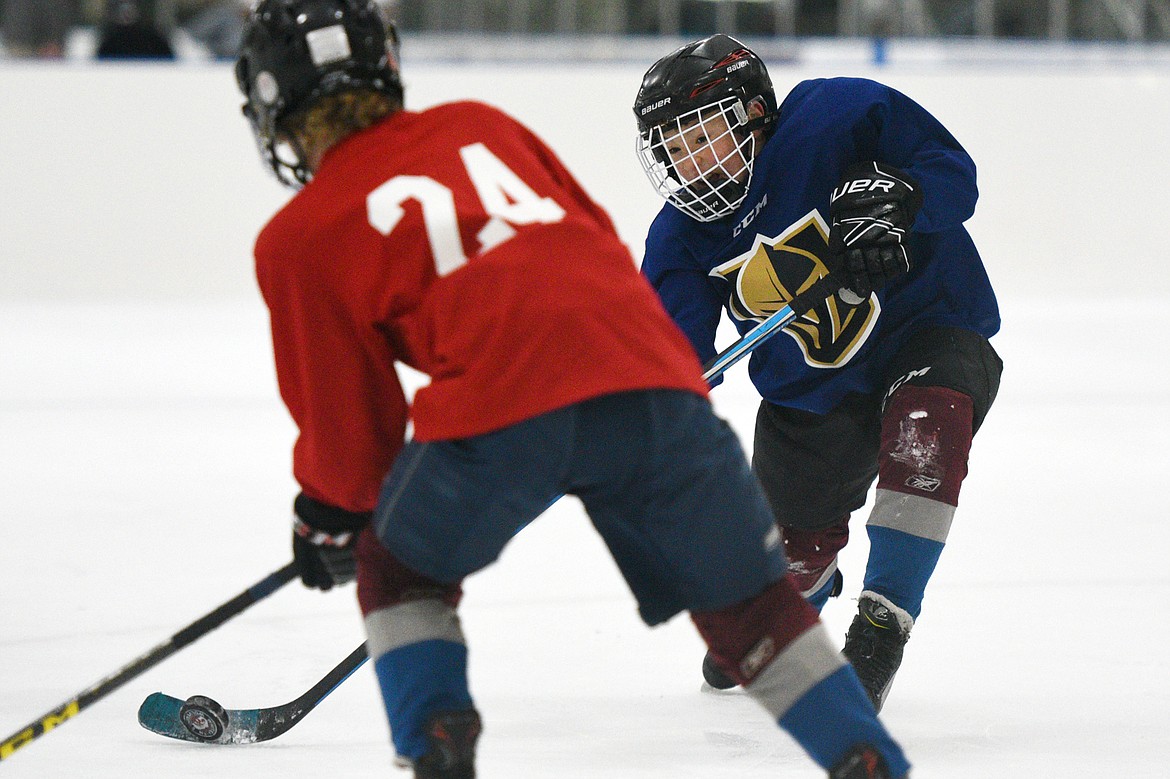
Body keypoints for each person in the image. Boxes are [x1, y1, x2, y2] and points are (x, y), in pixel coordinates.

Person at [235, 2, 910, 777]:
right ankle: (864, 759)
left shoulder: (298, 237)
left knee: (401, 575)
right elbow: (591, 245)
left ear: (270, 104)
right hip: (653, 379)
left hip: (496, 408)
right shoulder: (479, 125)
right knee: (753, 608)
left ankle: (437, 746)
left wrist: (332, 520)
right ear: (385, 65)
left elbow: (353, 446)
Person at [632, 34, 1002, 712]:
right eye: (671, 149)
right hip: (811, 399)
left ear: (750, 113)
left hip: (927, 327)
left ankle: (882, 621)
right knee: (792, 549)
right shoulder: (681, 237)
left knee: (928, 431)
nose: (684, 164)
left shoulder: (837, 116)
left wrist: (898, 198)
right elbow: (669, 351)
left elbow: (954, 171)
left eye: (697, 137)